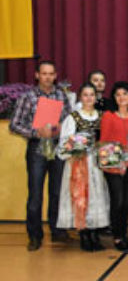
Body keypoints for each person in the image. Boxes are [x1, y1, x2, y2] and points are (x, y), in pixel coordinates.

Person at [9, 60, 73, 251]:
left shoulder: (61, 95)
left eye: (51, 74)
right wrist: (36, 132)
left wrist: (62, 127)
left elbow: (69, 119)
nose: (47, 77)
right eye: (44, 73)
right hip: (37, 147)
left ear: (55, 75)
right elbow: (14, 124)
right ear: (37, 75)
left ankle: (57, 230)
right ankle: (35, 235)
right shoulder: (27, 97)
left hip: (57, 146)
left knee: (56, 191)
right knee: (35, 193)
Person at [56, 83, 109, 252]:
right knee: (81, 197)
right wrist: (75, 149)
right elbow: (65, 142)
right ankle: (84, 233)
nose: (89, 98)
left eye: (91, 95)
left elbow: (106, 140)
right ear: (80, 97)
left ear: (96, 97)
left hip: (96, 165)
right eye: (85, 95)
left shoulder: (102, 116)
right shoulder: (73, 117)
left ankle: (94, 233)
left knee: (96, 196)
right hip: (78, 164)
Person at [100, 81, 128, 251]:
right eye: (118, 94)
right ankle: (118, 236)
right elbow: (104, 142)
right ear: (114, 98)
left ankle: (125, 233)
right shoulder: (109, 116)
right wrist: (117, 162)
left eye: (125, 94)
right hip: (114, 167)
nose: (122, 97)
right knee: (117, 202)